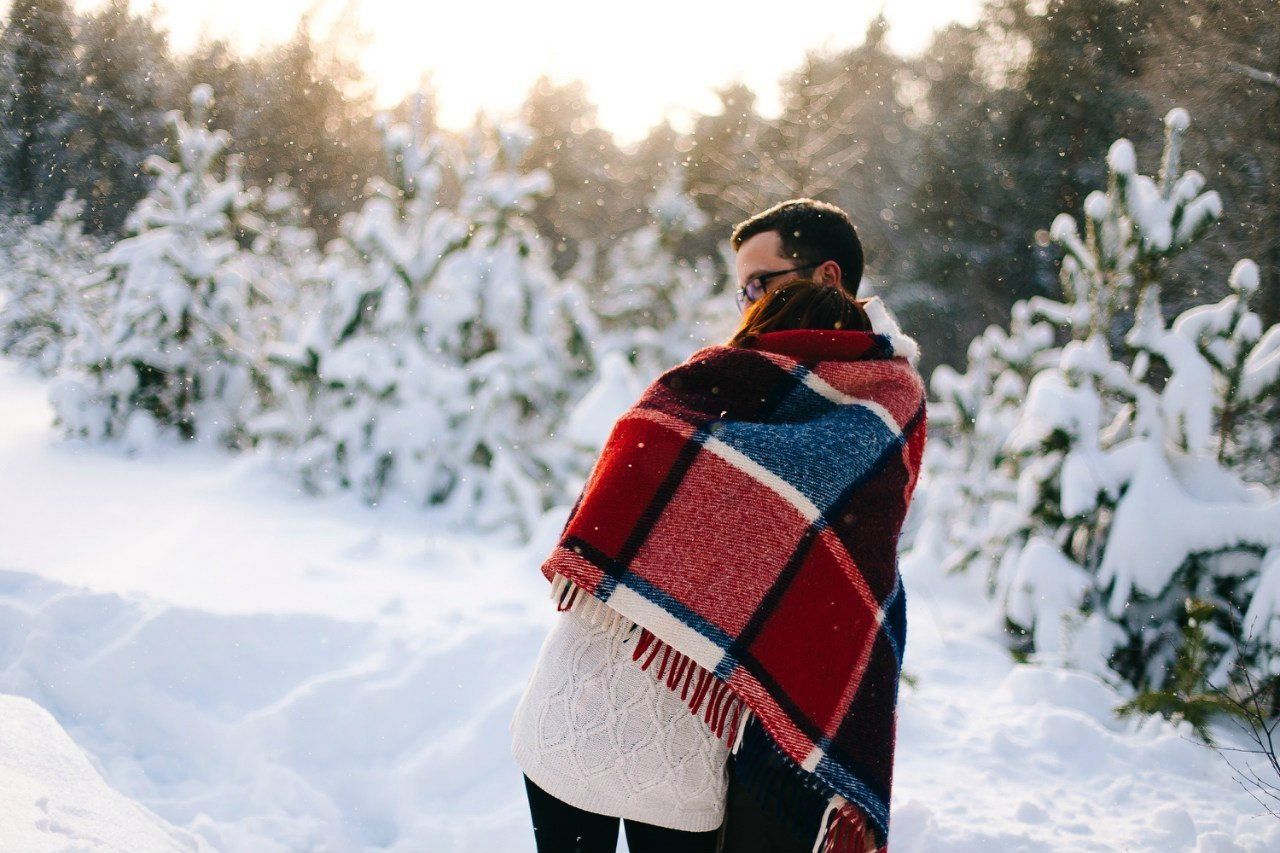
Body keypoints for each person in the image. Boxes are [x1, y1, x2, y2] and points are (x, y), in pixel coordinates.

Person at [512, 200, 925, 853]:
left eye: (761, 284)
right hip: (589, 712)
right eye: (741, 288)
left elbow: (851, 576)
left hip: (681, 741)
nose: (748, 303)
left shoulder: (874, 401)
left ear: (827, 276)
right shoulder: (731, 378)